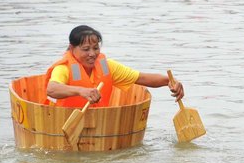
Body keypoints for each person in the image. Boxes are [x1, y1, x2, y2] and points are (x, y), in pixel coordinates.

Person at [45, 25, 184, 107]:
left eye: (95, 48)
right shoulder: (63, 68)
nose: (92, 54)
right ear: (71, 48)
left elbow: (141, 78)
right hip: (63, 122)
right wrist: (81, 91)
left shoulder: (107, 66)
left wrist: (169, 81)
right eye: (86, 49)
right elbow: (52, 89)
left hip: (100, 123)